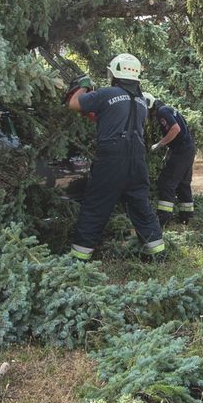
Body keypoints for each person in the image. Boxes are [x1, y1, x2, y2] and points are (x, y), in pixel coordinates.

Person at [65, 54, 165, 261]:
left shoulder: (106, 93)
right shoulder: (140, 101)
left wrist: (82, 86)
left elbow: (74, 104)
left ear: (114, 73)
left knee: (96, 206)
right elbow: (114, 118)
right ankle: (156, 254)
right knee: (140, 206)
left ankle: (79, 259)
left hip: (111, 159)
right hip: (137, 160)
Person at [147, 94, 196, 226]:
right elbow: (183, 131)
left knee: (166, 183)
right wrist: (169, 150)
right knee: (183, 184)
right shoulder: (169, 110)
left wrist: (160, 144)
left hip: (181, 151)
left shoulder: (162, 112)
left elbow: (175, 129)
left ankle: (163, 218)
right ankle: (187, 218)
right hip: (187, 148)